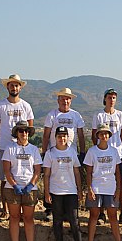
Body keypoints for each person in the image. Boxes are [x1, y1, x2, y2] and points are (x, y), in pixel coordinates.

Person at [0, 74, 35, 221]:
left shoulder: (26, 106)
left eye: (17, 85)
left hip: (22, 147)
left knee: (23, 176)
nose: (14, 87)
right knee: (5, 179)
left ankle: (22, 209)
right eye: (11, 85)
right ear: (7, 87)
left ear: (20, 87)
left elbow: (30, 126)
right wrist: (6, 138)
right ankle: (5, 209)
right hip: (6, 146)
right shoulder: (0, 105)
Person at [41, 87, 85, 222]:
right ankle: (49, 209)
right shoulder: (52, 115)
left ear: (70, 100)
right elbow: (46, 134)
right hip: (53, 153)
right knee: (50, 178)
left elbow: (81, 135)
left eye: (67, 98)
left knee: (69, 179)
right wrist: (44, 152)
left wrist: (82, 152)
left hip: (71, 153)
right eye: (62, 98)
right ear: (58, 100)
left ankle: (67, 210)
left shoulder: (76, 115)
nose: (65, 101)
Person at [43, 126, 86, 241]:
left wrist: (79, 190)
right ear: (55, 138)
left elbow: (77, 172)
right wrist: (46, 192)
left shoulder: (72, 152)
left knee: (74, 219)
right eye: (59, 136)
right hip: (56, 191)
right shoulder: (50, 153)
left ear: (68, 137)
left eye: (64, 136)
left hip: (71, 191)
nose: (62, 138)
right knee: (57, 220)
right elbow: (46, 174)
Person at [3, 120, 42, 241]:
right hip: (12, 188)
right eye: (21, 131)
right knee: (14, 217)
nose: (24, 133)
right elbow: (6, 170)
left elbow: (37, 170)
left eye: (26, 131)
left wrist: (31, 184)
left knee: (29, 217)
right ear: (16, 133)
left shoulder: (34, 149)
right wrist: (14, 184)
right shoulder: (9, 148)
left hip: (30, 188)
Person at [84, 124, 122, 241]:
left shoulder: (114, 151)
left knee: (113, 216)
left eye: (106, 133)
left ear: (109, 136)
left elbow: (117, 172)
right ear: (98, 136)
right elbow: (88, 172)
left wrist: (118, 190)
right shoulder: (92, 151)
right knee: (94, 216)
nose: (104, 136)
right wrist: (89, 189)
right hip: (96, 186)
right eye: (101, 134)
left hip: (110, 187)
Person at [91, 88, 122, 224]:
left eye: (114, 98)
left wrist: (118, 147)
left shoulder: (121, 115)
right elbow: (94, 134)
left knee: (120, 184)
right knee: (101, 182)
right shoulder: (99, 115)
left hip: (118, 154)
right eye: (109, 97)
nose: (112, 100)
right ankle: (101, 213)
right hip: (102, 154)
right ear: (105, 99)